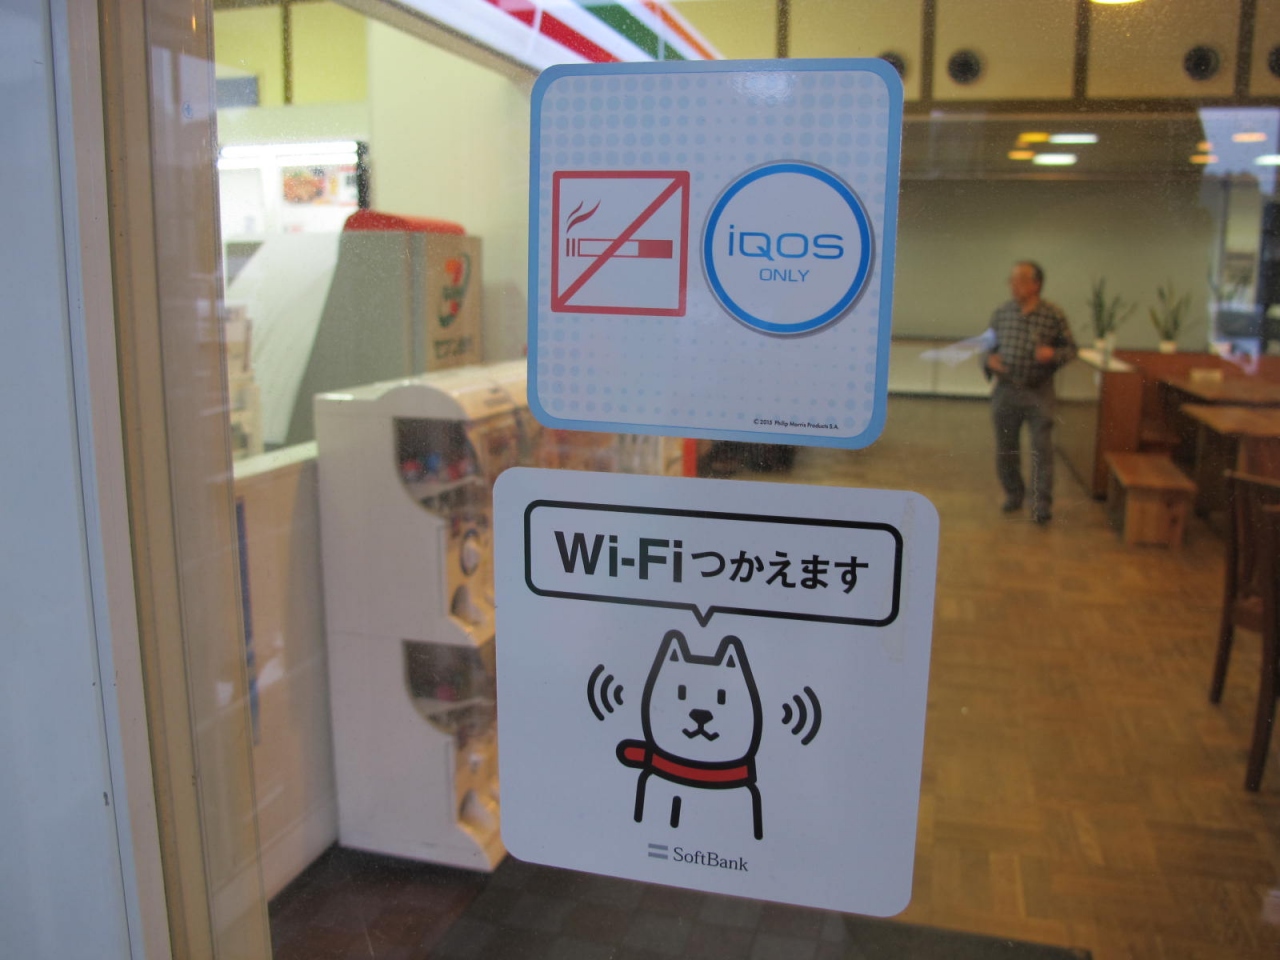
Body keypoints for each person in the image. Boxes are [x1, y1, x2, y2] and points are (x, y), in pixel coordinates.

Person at [980, 261, 1077, 524]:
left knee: (1041, 450)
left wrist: (1052, 354)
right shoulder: (1001, 313)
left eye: (1020, 280)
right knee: (1006, 449)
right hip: (1006, 390)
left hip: (1039, 392)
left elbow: (1071, 350)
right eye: (1011, 280)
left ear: (1036, 284)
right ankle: (1013, 494)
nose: (1013, 285)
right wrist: (989, 360)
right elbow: (987, 349)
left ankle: (1041, 504)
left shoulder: (1053, 315)